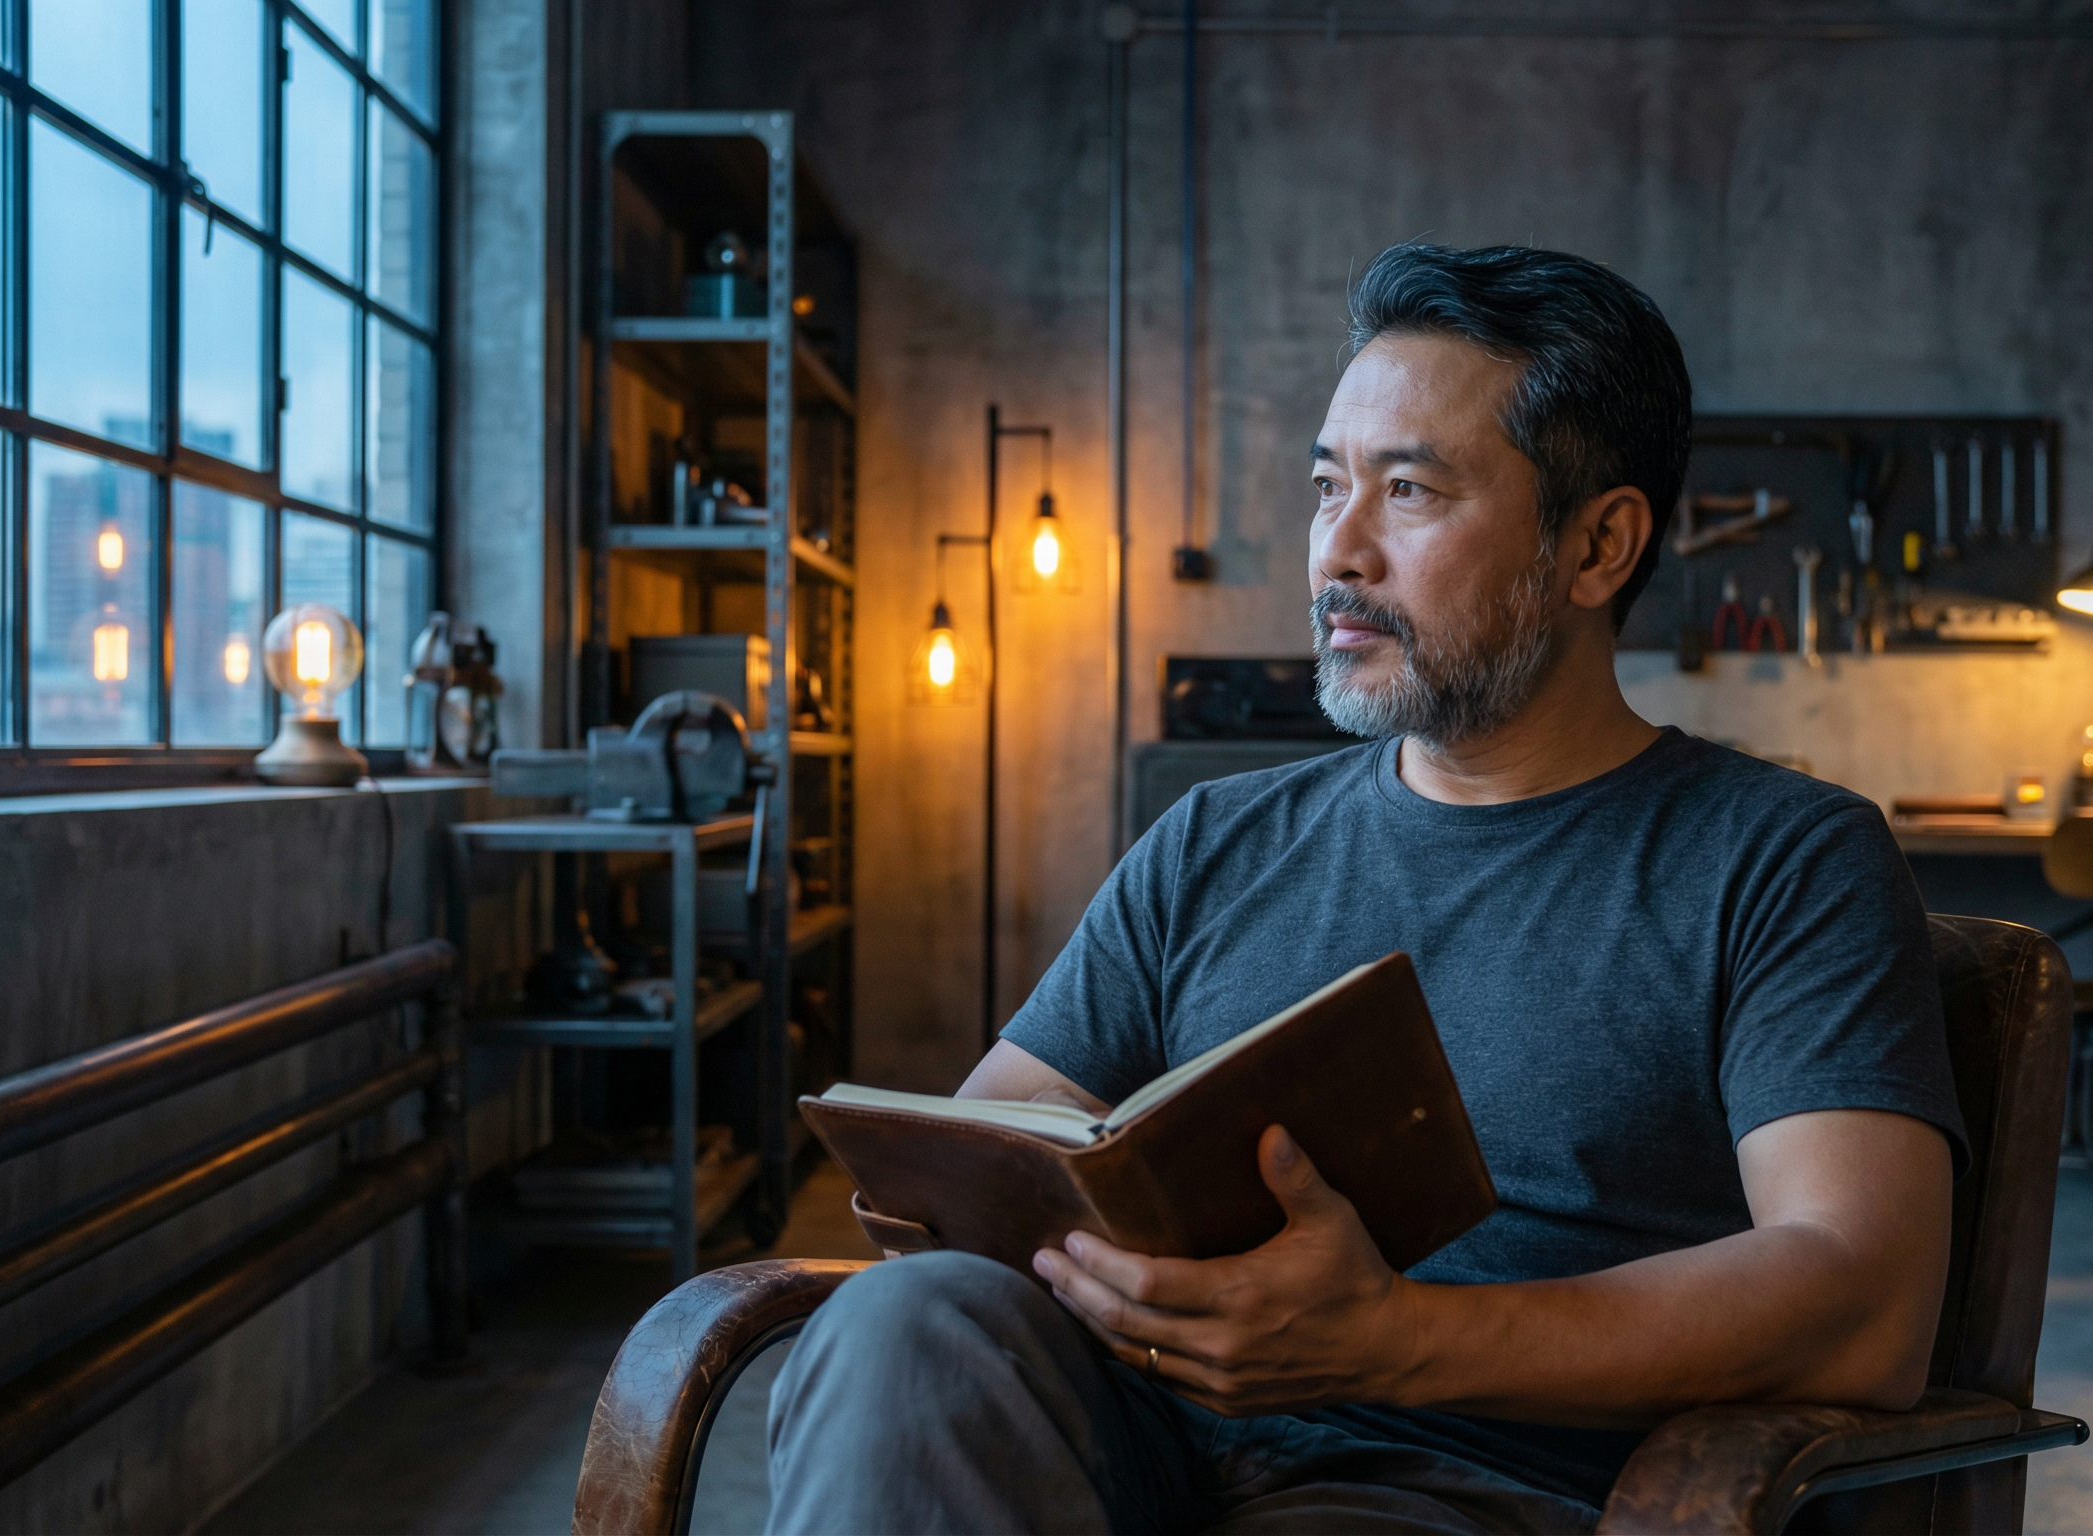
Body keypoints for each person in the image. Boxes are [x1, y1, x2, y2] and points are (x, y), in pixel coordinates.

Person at [766, 243, 1965, 1534]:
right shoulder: (1214, 839)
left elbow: (1863, 1300)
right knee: (906, 1321)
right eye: (1327, 486)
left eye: (1410, 492)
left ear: (1599, 546)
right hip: (1140, 1442)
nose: (1337, 554)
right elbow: (987, 1157)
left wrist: (1393, 1342)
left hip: (1468, 1490)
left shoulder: (1783, 860)